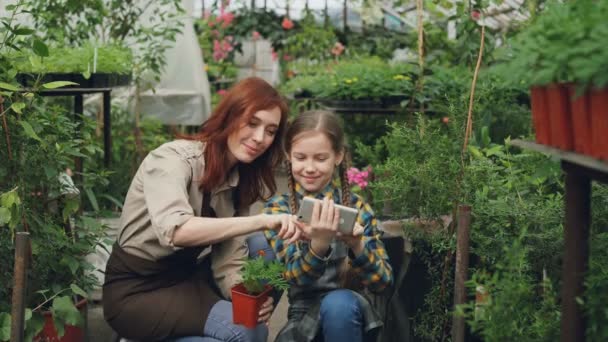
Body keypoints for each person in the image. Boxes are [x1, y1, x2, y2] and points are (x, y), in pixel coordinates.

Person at [103, 77, 297, 342]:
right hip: (138, 290)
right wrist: (261, 220)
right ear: (230, 116)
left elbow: (229, 258)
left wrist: (245, 298)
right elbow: (177, 231)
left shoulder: (239, 178)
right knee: (243, 331)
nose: (260, 138)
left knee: (263, 260)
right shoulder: (172, 159)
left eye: (271, 130)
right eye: (252, 123)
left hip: (187, 279)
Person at [263, 110, 394, 342]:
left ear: (338, 156)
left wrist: (358, 246)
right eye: (301, 157)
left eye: (320, 158)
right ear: (288, 156)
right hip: (302, 317)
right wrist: (319, 244)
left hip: (350, 314)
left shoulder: (357, 208)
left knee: (339, 304)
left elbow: (383, 283)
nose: (310, 168)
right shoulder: (279, 210)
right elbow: (294, 278)